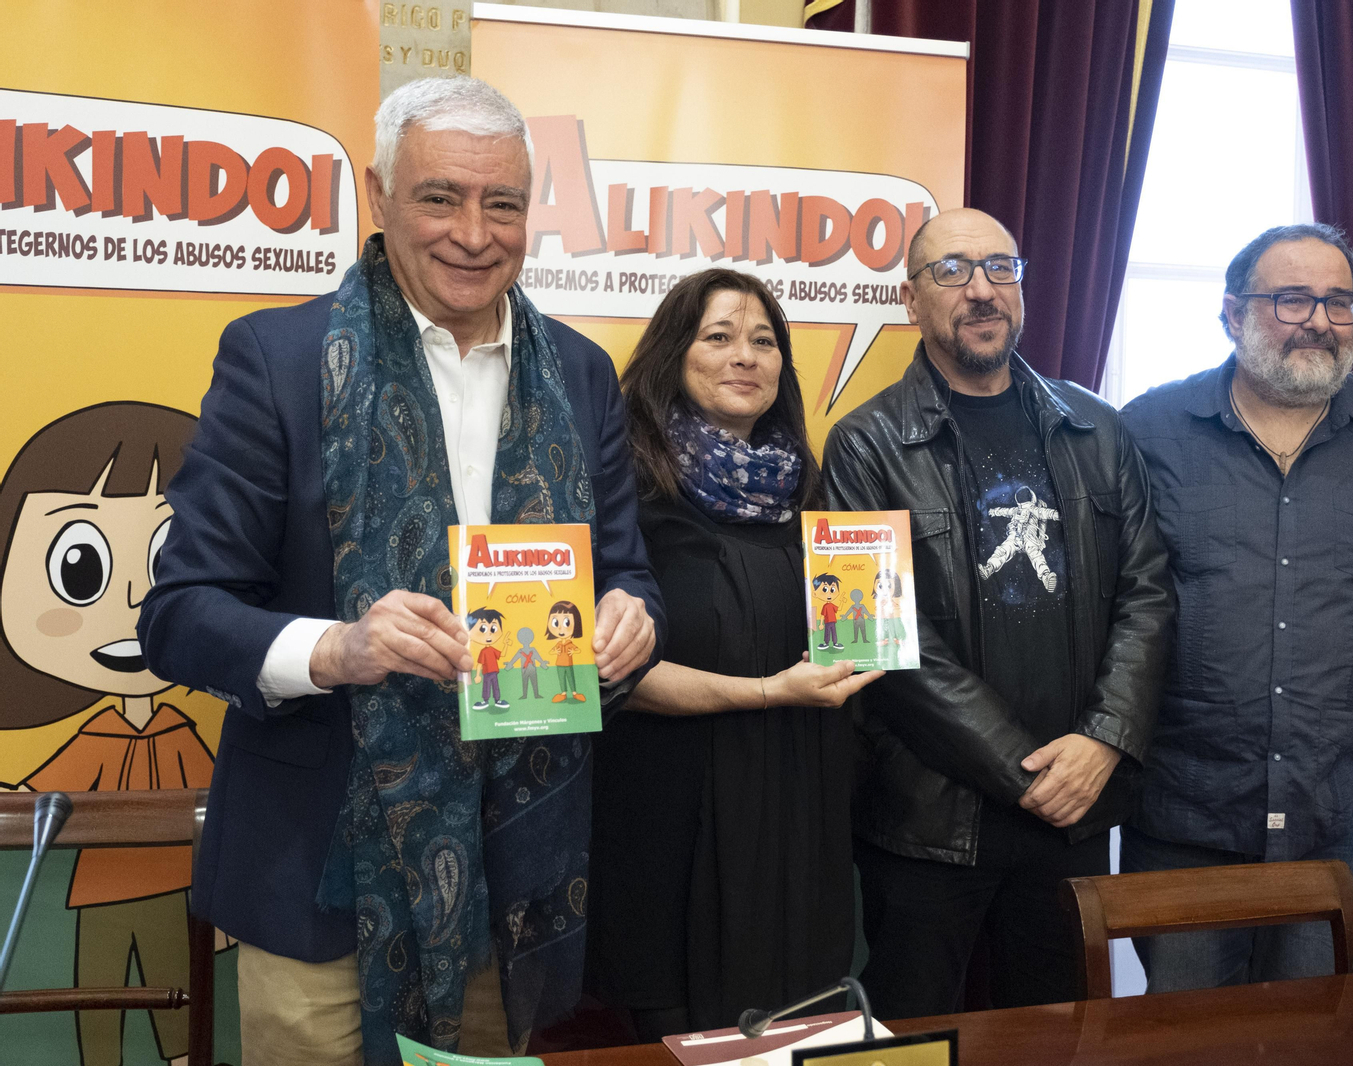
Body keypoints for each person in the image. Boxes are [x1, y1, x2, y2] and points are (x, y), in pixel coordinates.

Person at [137, 77, 664, 1066]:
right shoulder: (277, 359)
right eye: (440, 197)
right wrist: (337, 647)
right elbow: (179, 614)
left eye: (501, 203)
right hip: (320, 879)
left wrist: (633, 618)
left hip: (516, 883)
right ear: (380, 197)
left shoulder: (585, 373)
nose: (473, 231)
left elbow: (627, 572)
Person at [820, 208, 1174, 1019]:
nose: (981, 290)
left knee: (1055, 1039)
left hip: (1074, 819)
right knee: (911, 1039)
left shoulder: (1100, 429)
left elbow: (1149, 594)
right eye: (951, 271)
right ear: (911, 300)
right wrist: (1029, 772)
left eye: (1000, 269)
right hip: (925, 825)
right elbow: (876, 639)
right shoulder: (863, 446)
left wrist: (1103, 742)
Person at [1118, 223, 1353, 991]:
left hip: (1341, 811)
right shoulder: (1149, 431)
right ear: (1232, 313)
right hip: (1186, 809)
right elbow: (1107, 603)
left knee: (1322, 1034)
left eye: (1339, 302)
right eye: (1291, 299)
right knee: (1182, 1039)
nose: (1319, 319)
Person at [588, 268, 882, 1038]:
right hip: (670, 823)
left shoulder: (811, 493)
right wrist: (769, 691)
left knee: (801, 1020)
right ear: (673, 357)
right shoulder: (624, 497)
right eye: (717, 337)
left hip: (799, 813)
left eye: (763, 341)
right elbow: (613, 678)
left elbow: (855, 647)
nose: (744, 356)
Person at [0, 403, 224, 1066]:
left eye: (164, 560)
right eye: (79, 568)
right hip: (98, 892)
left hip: (173, 891)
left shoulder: (182, 730)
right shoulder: (97, 734)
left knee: (180, 1026)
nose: (132, 600)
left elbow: (217, 802)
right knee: (97, 1021)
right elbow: (45, 792)